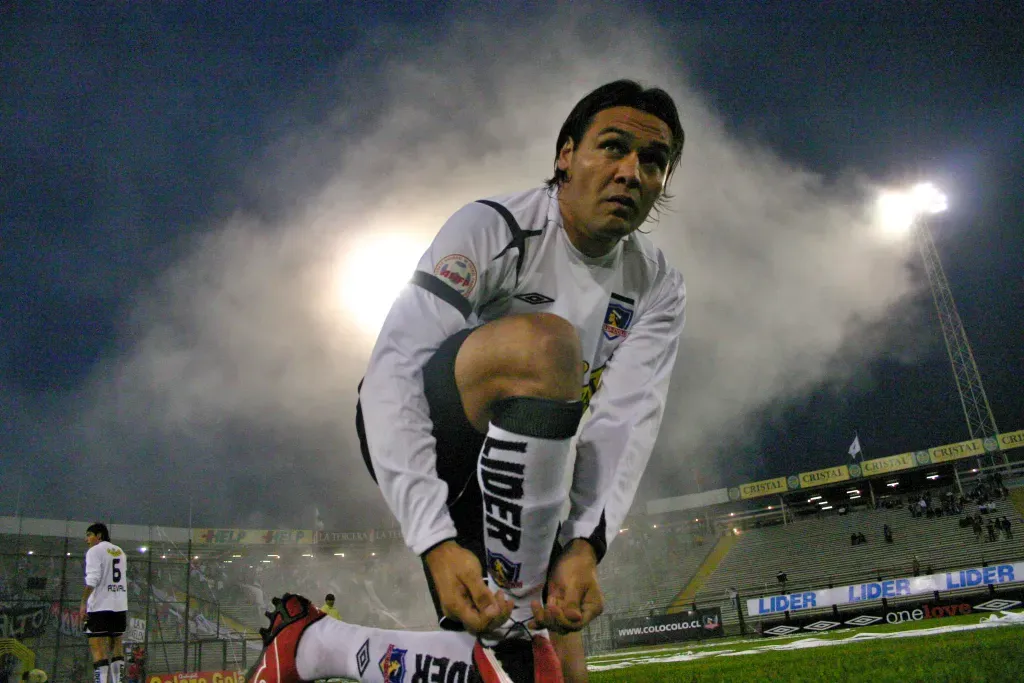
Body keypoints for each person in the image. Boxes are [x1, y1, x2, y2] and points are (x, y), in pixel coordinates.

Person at [249, 79, 687, 683]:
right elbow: (391, 373)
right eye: (612, 147)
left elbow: (624, 423)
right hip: (431, 431)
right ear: (565, 155)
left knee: (548, 675)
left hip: (523, 470)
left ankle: (313, 645)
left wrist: (585, 545)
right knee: (548, 345)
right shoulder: (494, 226)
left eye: (654, 161)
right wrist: (433, 538)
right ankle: (514, 635)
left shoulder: (658, 284)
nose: (631, 172)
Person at [80, 523, 129, 683]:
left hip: (100, 606)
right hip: (120, 606)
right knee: (116, 645)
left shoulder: (94, 551)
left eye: (89, 535)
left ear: (99, 535)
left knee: (97, 647)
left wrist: (83, 603)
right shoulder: (120, 551)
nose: (86, 539)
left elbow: (92, 580)